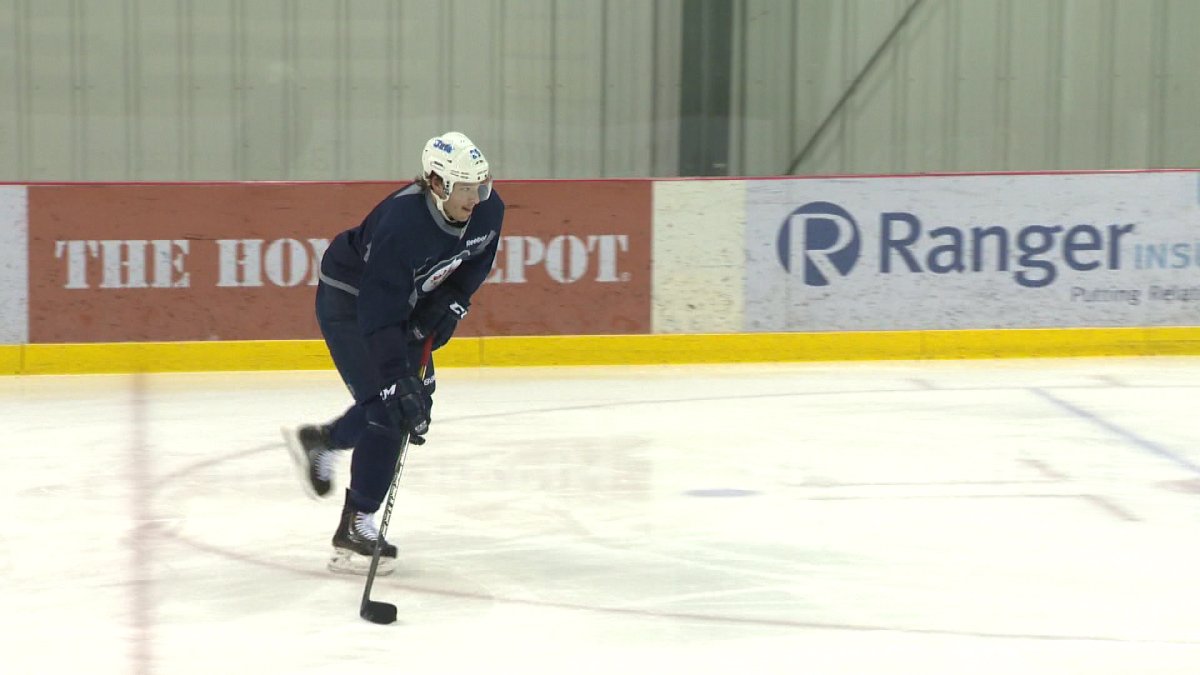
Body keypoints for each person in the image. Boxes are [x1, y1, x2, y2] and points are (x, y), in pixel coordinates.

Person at [283, 131, 504, 575]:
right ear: (437, 184)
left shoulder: (488, 210)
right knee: (391, 407)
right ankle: (356, 524)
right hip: (351, 302)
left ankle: (324, 441)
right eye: (466, 188)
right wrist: (395, 381)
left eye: (481, 186)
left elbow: (476, 261)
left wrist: (448, 307)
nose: (476, 198)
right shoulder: (402, 226)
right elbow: (378, 316)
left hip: (408, 302)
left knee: (406, 401)